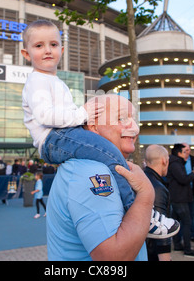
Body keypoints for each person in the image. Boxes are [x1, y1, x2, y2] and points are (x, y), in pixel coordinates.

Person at [21, 19, 176, 239]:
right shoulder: (37, 81)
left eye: (53, 45)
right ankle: (139, 212)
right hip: (52, 139)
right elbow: (45, 115)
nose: (47, 50)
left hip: (60, 135)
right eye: (39, 46)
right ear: (26, 54)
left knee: (106, 151)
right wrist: (81, 114)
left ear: (61, 49)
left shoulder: (53, 81)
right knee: (105, 149)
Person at [46, 94, 154, 260]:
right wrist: (146, 194)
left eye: (134, 119)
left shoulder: (93, 167)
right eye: (122, 118)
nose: (135, 128)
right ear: (94, 126)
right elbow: (113, 258)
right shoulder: (91, 171)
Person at [167, 143, 194, 258]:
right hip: (180, 198)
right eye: (185, 151)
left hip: (177, 197)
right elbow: (183, 179)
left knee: (176, 222)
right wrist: (193, 174)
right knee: (186, 222)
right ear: (179, 153)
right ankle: (188, 249)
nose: (187, 153)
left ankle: (178, 245)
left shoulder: (175, 162)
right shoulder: (176, 164)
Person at [144, 145, 179, 261]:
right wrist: (165, 258)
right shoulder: (157, 188)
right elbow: (161, 229)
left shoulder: (142, 179)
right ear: (164, 161)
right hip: (152, 253)